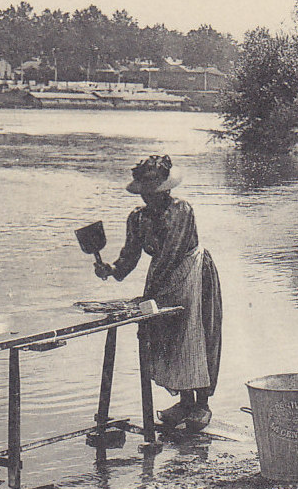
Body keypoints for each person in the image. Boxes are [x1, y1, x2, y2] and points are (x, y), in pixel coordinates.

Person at [94, 155, 222, 431]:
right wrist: (111, 269)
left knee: (194, 336)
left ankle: (201, 405)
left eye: (156, 193)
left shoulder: (181, 210)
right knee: (170, 337)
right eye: (146, 194)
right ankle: (185, 402)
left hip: (192, 271)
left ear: (166, 189)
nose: (151, 199)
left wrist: (148, 293)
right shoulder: (137, 219)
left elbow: (171, 253)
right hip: (163, 277)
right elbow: (129, 257)